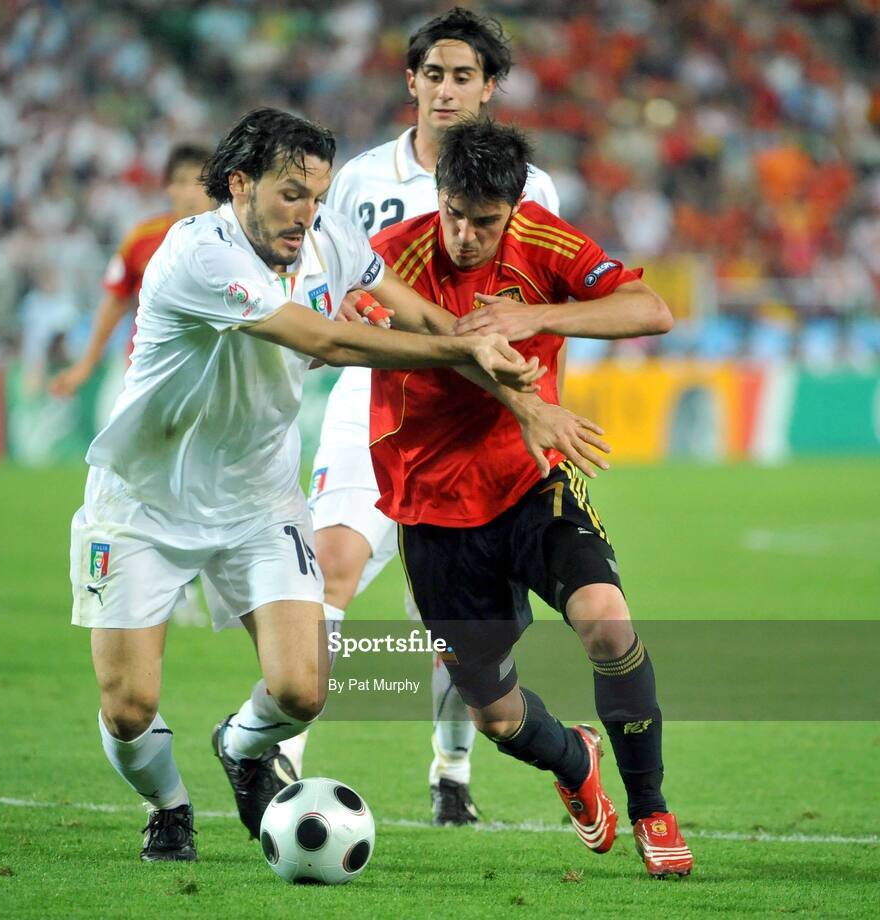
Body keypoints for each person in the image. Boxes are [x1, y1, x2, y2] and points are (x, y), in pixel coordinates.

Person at [68, 107, 597, 863]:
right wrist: (459, 356)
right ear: (239, 185)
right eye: (290, 194)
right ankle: (169, 805)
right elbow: (329, 338)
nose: (307, 214)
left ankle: (243, 747)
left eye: (317, 195)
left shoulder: (330, 238)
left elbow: (419, 313)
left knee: (303, 690)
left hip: (260, 500)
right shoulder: (199, 255)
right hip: (144, 502)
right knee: (129, 708)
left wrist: (493, 363)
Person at [368, 118, 693, 879]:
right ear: (436, 195)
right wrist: (506, 372)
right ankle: (574, 758)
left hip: (528, 476)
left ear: (513, 209)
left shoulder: (544, 241)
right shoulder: (393, 260)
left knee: (607, 622)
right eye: (454, 213)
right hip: (432, 504)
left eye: (485, 222)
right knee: (494, 713)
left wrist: (537, 313)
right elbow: (380, 336)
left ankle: (651, 810)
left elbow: (651, 309)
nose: (466, 235)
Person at [299, 5, 561, 827]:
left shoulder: (532, 188)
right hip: (371, 402)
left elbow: (541, 308)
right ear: (411, 81)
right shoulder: (361, 182)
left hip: (472, 422)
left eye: (464, 76)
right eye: (434, 75)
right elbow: (331, 285)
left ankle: (451, 773)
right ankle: (280, 763)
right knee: (330, 565)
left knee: (452, 620)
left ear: (490, 89)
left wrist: (533, 406)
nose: (447, 90)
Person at [48, 144, 215, 398]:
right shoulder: (141, 239)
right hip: (149, 370)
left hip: (212, 369)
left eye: (198, 182)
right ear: (168, 187)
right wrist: (85, 366)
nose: (190, 193)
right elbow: (115, 301)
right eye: (181, 182)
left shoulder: (233, 241)